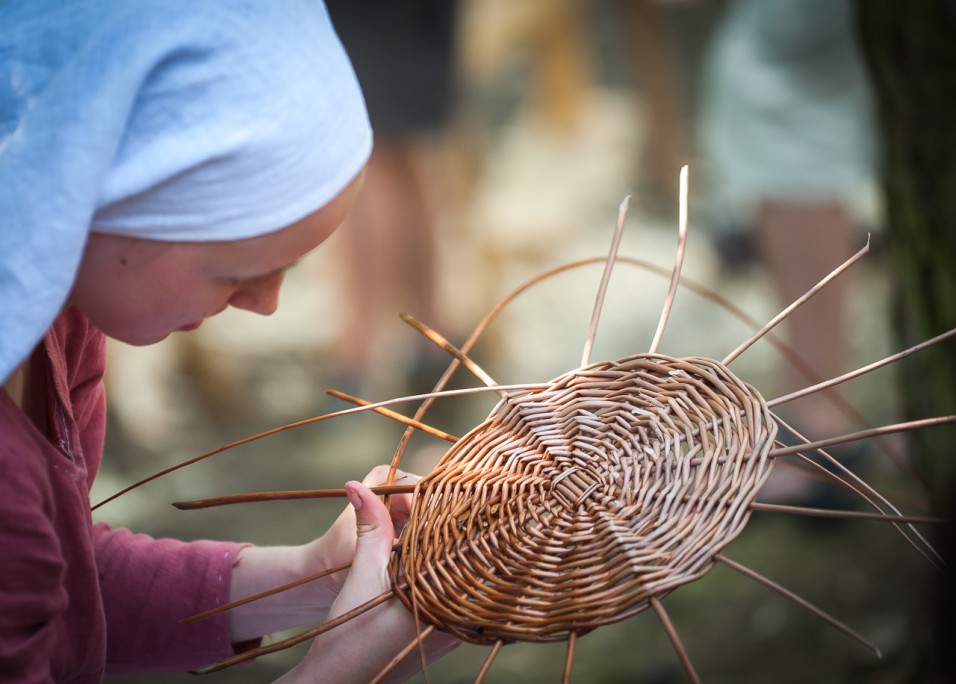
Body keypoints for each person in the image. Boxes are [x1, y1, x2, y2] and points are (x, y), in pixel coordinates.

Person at [0, 1, 455, 681]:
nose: (265, 306)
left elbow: (60, 585)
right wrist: (336, 668)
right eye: (236, 273)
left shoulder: (59, 325)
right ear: (93, 198)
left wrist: (309, 576)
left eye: (286, 274)